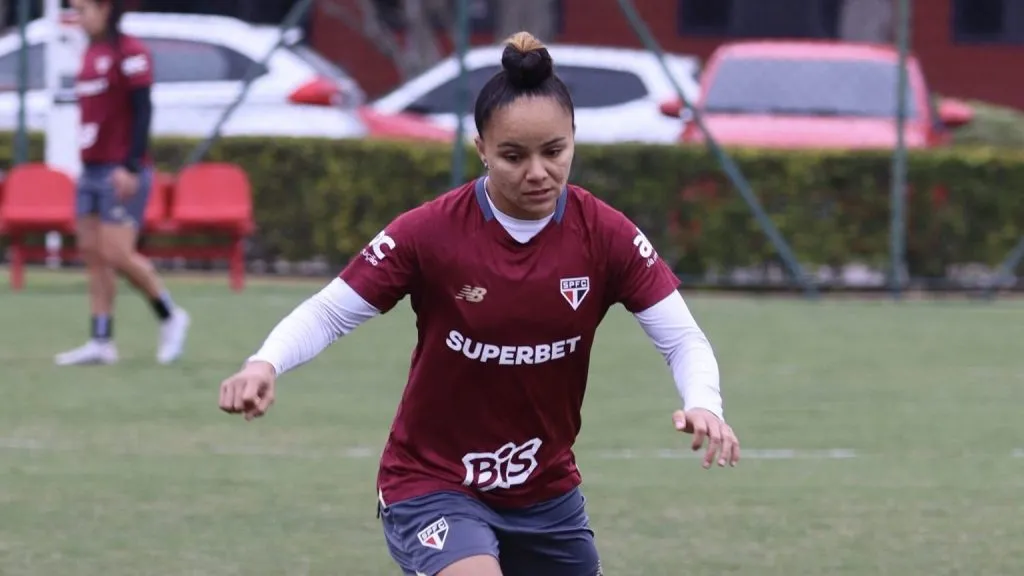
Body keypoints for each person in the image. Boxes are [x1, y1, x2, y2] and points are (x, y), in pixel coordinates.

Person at [219, 32, 740, 576]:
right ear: (482, 150)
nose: (537, 172)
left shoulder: (604, 235)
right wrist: (266, 361)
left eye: (554, 151)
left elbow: (680, 336)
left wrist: (705, 403)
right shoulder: (431, 233)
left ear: (574, 141)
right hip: (432, 482)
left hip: (545, 492)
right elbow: (330, 311)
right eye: (514, 155)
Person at [55, 0, 190, 367]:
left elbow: (144, 109)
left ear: (105, 9)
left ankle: (170, 316)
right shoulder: (90, 52)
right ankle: (101, 340)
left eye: (83, 9)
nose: (77, 17)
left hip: (120, 170)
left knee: (117, 253)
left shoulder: (130, 52)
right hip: (91, 169)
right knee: (93, 254)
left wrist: (131, 165)